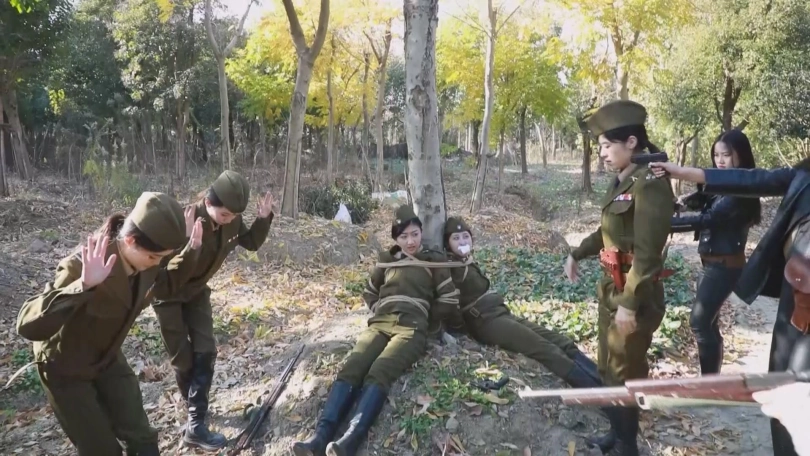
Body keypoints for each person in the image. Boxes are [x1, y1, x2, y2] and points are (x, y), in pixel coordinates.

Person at [16, 192, 204, 456]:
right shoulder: (82, 265)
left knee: (142, 438)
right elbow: (27, 325)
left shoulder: (146, 263)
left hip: (108, 356)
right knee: (100, 449)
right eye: (154, 257)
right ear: (130, 240)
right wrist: (83, 285)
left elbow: (166, 285)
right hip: (66, 368)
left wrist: (192, 250)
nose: (158, 263)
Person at [650, 155, 810, 456]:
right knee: (782, 386)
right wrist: (681, 172)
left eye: (726, 154)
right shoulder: (802, 176)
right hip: (798, 293)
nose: (720, 159)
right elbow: (750, 179)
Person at [292, 205, 460, 456]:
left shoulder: (433, 261)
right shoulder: (387, 259)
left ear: (421, 233)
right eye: (404, 236)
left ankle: (350, 440)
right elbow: (370, 292)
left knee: (379, 371)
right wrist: (379, 309)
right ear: (395, 238)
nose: (410, 241)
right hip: (381, 323)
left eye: (415, 234)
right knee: (352, 368)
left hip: (411, 328)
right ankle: (320, 437)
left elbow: (449, 298)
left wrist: (425, 318)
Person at [564, 100, 675, 456]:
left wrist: (629, 304)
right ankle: (618, 435)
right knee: (608, 369)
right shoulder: (623, 180)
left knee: (626, 373)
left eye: (606, 146)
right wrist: (576, 253)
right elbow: (608, 232)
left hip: (635, 295)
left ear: (631, 142)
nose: (602, 154)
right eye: (600, 147)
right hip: (611, 289)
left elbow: (648, 253)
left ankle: (629, 446)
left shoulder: (650, 183)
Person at [151, 170, 274, 450]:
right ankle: (194, 412)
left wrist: (263, 219)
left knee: (206, 350)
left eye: (234, 216)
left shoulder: (232, 220)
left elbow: (250, 242)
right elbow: (164, 270)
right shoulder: (184, 219)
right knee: (183, 359)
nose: (229, 220)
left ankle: (196, 424)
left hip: (196, 292)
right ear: (208, 202)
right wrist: (185, 242)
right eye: (224, 215)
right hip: (169, 295)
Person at [442, 216, 602, 388]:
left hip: (499, 313)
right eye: (456, 238)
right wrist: (462, 329)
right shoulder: (449, 267)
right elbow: (449, 305)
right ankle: (598, 393)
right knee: (546, 350)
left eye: (465, 236)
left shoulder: (466, 261)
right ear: (447, 244)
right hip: (485, 322)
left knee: (561, 342)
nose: (462, 241)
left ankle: (606, 383)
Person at [669, 129, 761, 374]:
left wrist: (668, 224)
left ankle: (709, 382)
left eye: (726, 155)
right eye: (716, 155)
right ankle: (712, 380)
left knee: (699, 322)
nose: (720, 160)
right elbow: (703, 199)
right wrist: (681, 203)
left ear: (740, 155)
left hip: (724, 265)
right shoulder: (723, 184)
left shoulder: (741, 190)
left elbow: (710, 218)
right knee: (708, 323)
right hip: (712, 264)